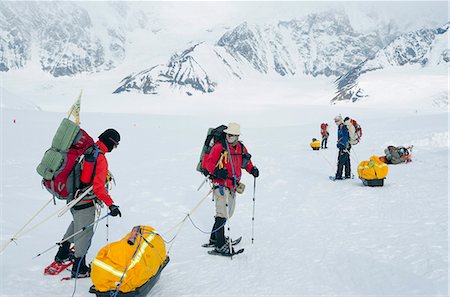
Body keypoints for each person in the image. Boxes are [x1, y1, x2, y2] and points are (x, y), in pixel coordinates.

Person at [54, 129, 122, 278]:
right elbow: (98, 188)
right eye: (115, 145)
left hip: (72, 197)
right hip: (85, 201)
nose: (114, 148)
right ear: (110, 142)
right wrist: (111, 204)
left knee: (76, 224)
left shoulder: (88, 149)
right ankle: (79, 268)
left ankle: (62, 253)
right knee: (84, 232)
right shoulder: (100, 158)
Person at [203, 123, 259, 256]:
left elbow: (246, 162)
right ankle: (220, 245)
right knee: (222, 213)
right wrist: (217, 171)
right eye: (229, 134)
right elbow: (208, 163)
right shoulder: (219, 147)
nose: (230, 137)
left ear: (237, 136)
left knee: (229, 212)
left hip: (233, 184)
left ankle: (214, 238)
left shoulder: (241, 147)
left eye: (233, 135)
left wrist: (252, 170)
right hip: (220, 184)